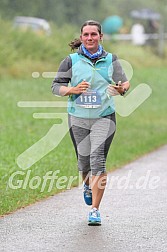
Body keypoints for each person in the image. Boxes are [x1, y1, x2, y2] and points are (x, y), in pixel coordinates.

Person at [51, 20, 130, 225]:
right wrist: (72, 90)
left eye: (93, 34)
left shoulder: (111, 59)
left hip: (104, 116)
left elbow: (125, 83)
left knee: (98, 160)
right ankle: (87, 185)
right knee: (84, 163)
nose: (89, 38)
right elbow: (56, 86)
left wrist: (121, 89)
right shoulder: (71, 60)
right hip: (77, 118)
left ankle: (95, 210)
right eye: (86, 34)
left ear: (100, 37)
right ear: (82, 37)